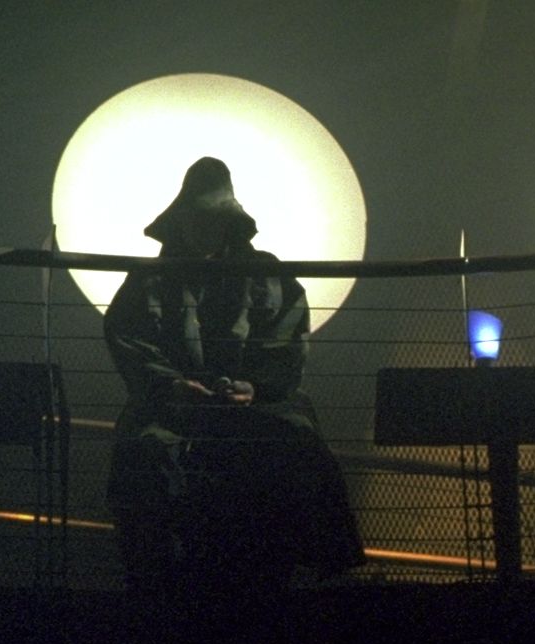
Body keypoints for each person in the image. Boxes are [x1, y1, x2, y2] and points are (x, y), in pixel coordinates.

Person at [103, 156, 364, 592]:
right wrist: (173, 387)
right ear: (178, 221)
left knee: (298, 443)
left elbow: (286, 345)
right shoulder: (149, 280)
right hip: (172, 414)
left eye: (212, 220)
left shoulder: (267, 275)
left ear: (230, 223)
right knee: (145, 454)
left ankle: (311, 578)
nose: (203, 230)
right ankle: (154, 584)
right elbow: (131, 340)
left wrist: (254, 387)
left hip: (257, 410)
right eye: (195, 220)